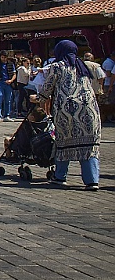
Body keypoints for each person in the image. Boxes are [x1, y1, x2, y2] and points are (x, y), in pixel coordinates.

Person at [38, 40, 101, 190]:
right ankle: (92, 180)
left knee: (63, 143)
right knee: (88, 146)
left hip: (66, 112)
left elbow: (47, 87)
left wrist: (40, 99)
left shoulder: (57, 66)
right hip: (89, 111)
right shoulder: (82, 66)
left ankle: (60, 176)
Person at [0, 51, 18, 123]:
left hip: (8, 84)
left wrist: (11, 80)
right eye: (2, 57)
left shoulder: (11, 64)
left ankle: (7, 115)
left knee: (8, 100)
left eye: (5, 57)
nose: (4, 59)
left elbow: (14, 74)